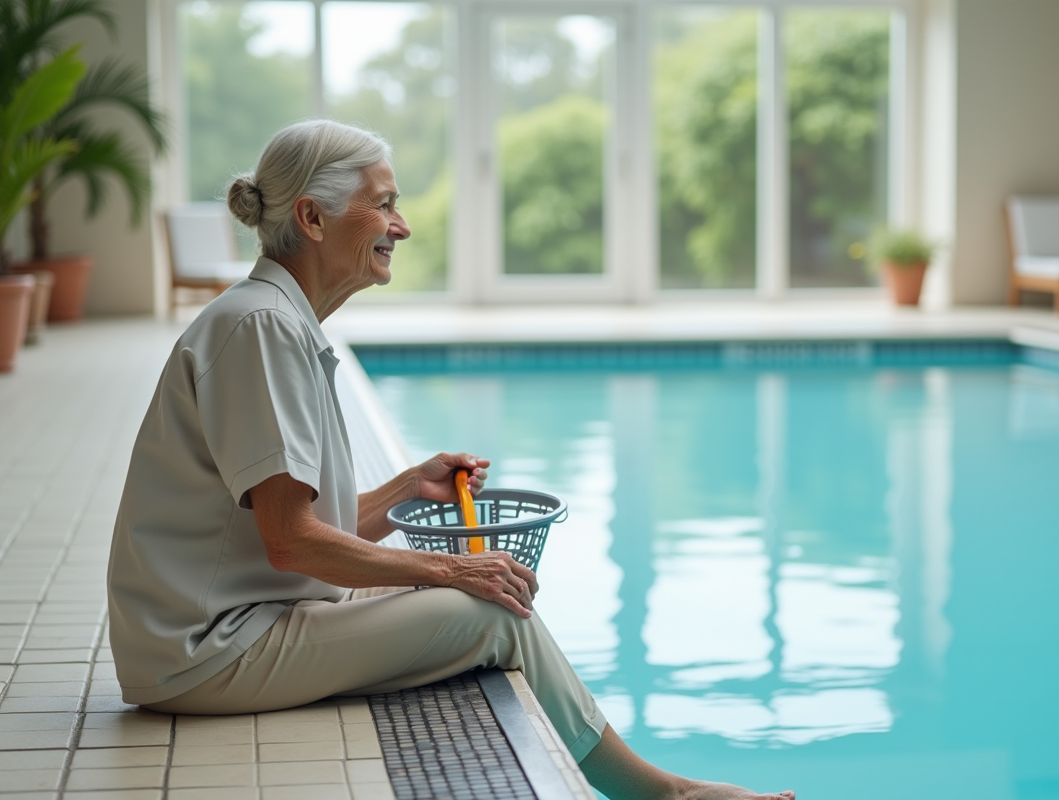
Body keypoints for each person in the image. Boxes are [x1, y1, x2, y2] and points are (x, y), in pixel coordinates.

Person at [107, 119, 794, 800]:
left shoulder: (275, 321)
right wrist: (451, 567)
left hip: (231, 626)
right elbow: (291, 543)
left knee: (464, 589)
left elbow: (301, 525)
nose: (400, 226)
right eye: (383, 204)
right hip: (207, 652)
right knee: (491, 612)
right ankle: (664, 796)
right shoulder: (261, 328)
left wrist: (409, 486)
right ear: (313, 218)